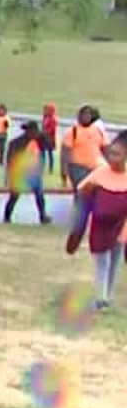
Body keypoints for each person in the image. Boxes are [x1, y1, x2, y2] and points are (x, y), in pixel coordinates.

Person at [72, 131, 127, 310]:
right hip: (100, 226)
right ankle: (100, 297)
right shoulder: (101, 172)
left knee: (114, 262)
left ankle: (106, 296)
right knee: (102, 260)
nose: (112, 158)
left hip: (121, 228)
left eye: (117, 154)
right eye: (110, 153)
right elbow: (82, 190)